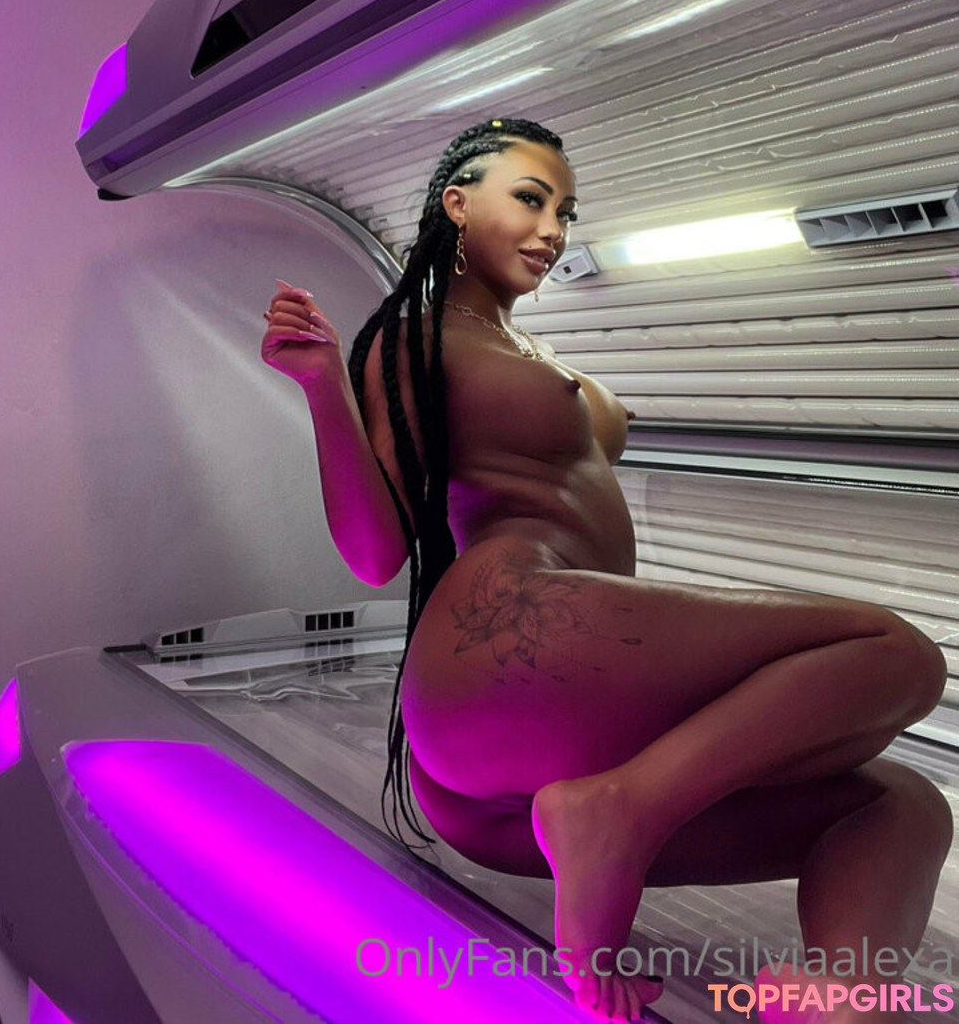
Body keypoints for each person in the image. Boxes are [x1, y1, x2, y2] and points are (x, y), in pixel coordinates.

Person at [260, 117, 951, 1022]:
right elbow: (376, 549)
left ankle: (838, 995)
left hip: (536, 759)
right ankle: (620, 811)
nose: (552, 230)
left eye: (566, 213)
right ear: (456, 204)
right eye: (530, 199)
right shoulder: (418, 339)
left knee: (901, 805)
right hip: (501, 641)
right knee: (896, 656)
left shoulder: (527, 349)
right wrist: (323, 386)